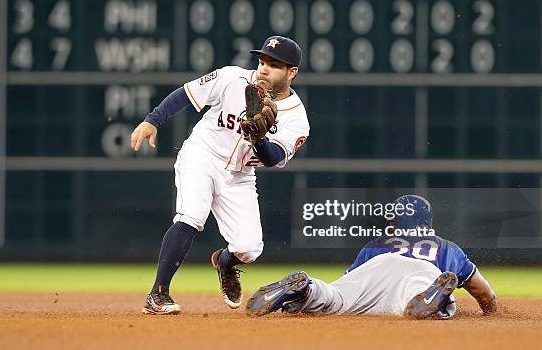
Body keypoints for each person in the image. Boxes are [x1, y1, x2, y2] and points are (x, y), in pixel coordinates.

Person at [131, 36, 310, 315]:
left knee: (249, 249)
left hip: (240, 175)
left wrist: (259, 139)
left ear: (292, 73)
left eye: (274, 65)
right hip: (201, 156)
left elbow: (274, 159)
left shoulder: (297, 117)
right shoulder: (231, 78)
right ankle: (158, 294)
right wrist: (152, 120)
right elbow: (186, 94)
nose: (263, 69)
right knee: (192, 215)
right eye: (262, 61)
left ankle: (225, 262)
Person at [247, 195, 499, 319]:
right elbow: (484, 293)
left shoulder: (376, 244)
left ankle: (308, 290)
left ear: (394, 222)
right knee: (410, 300)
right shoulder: (448, 247)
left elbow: (350, 283)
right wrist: (491, 313)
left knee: (337, 299)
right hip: (423, 271)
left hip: (375, 265)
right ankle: (434, 299)